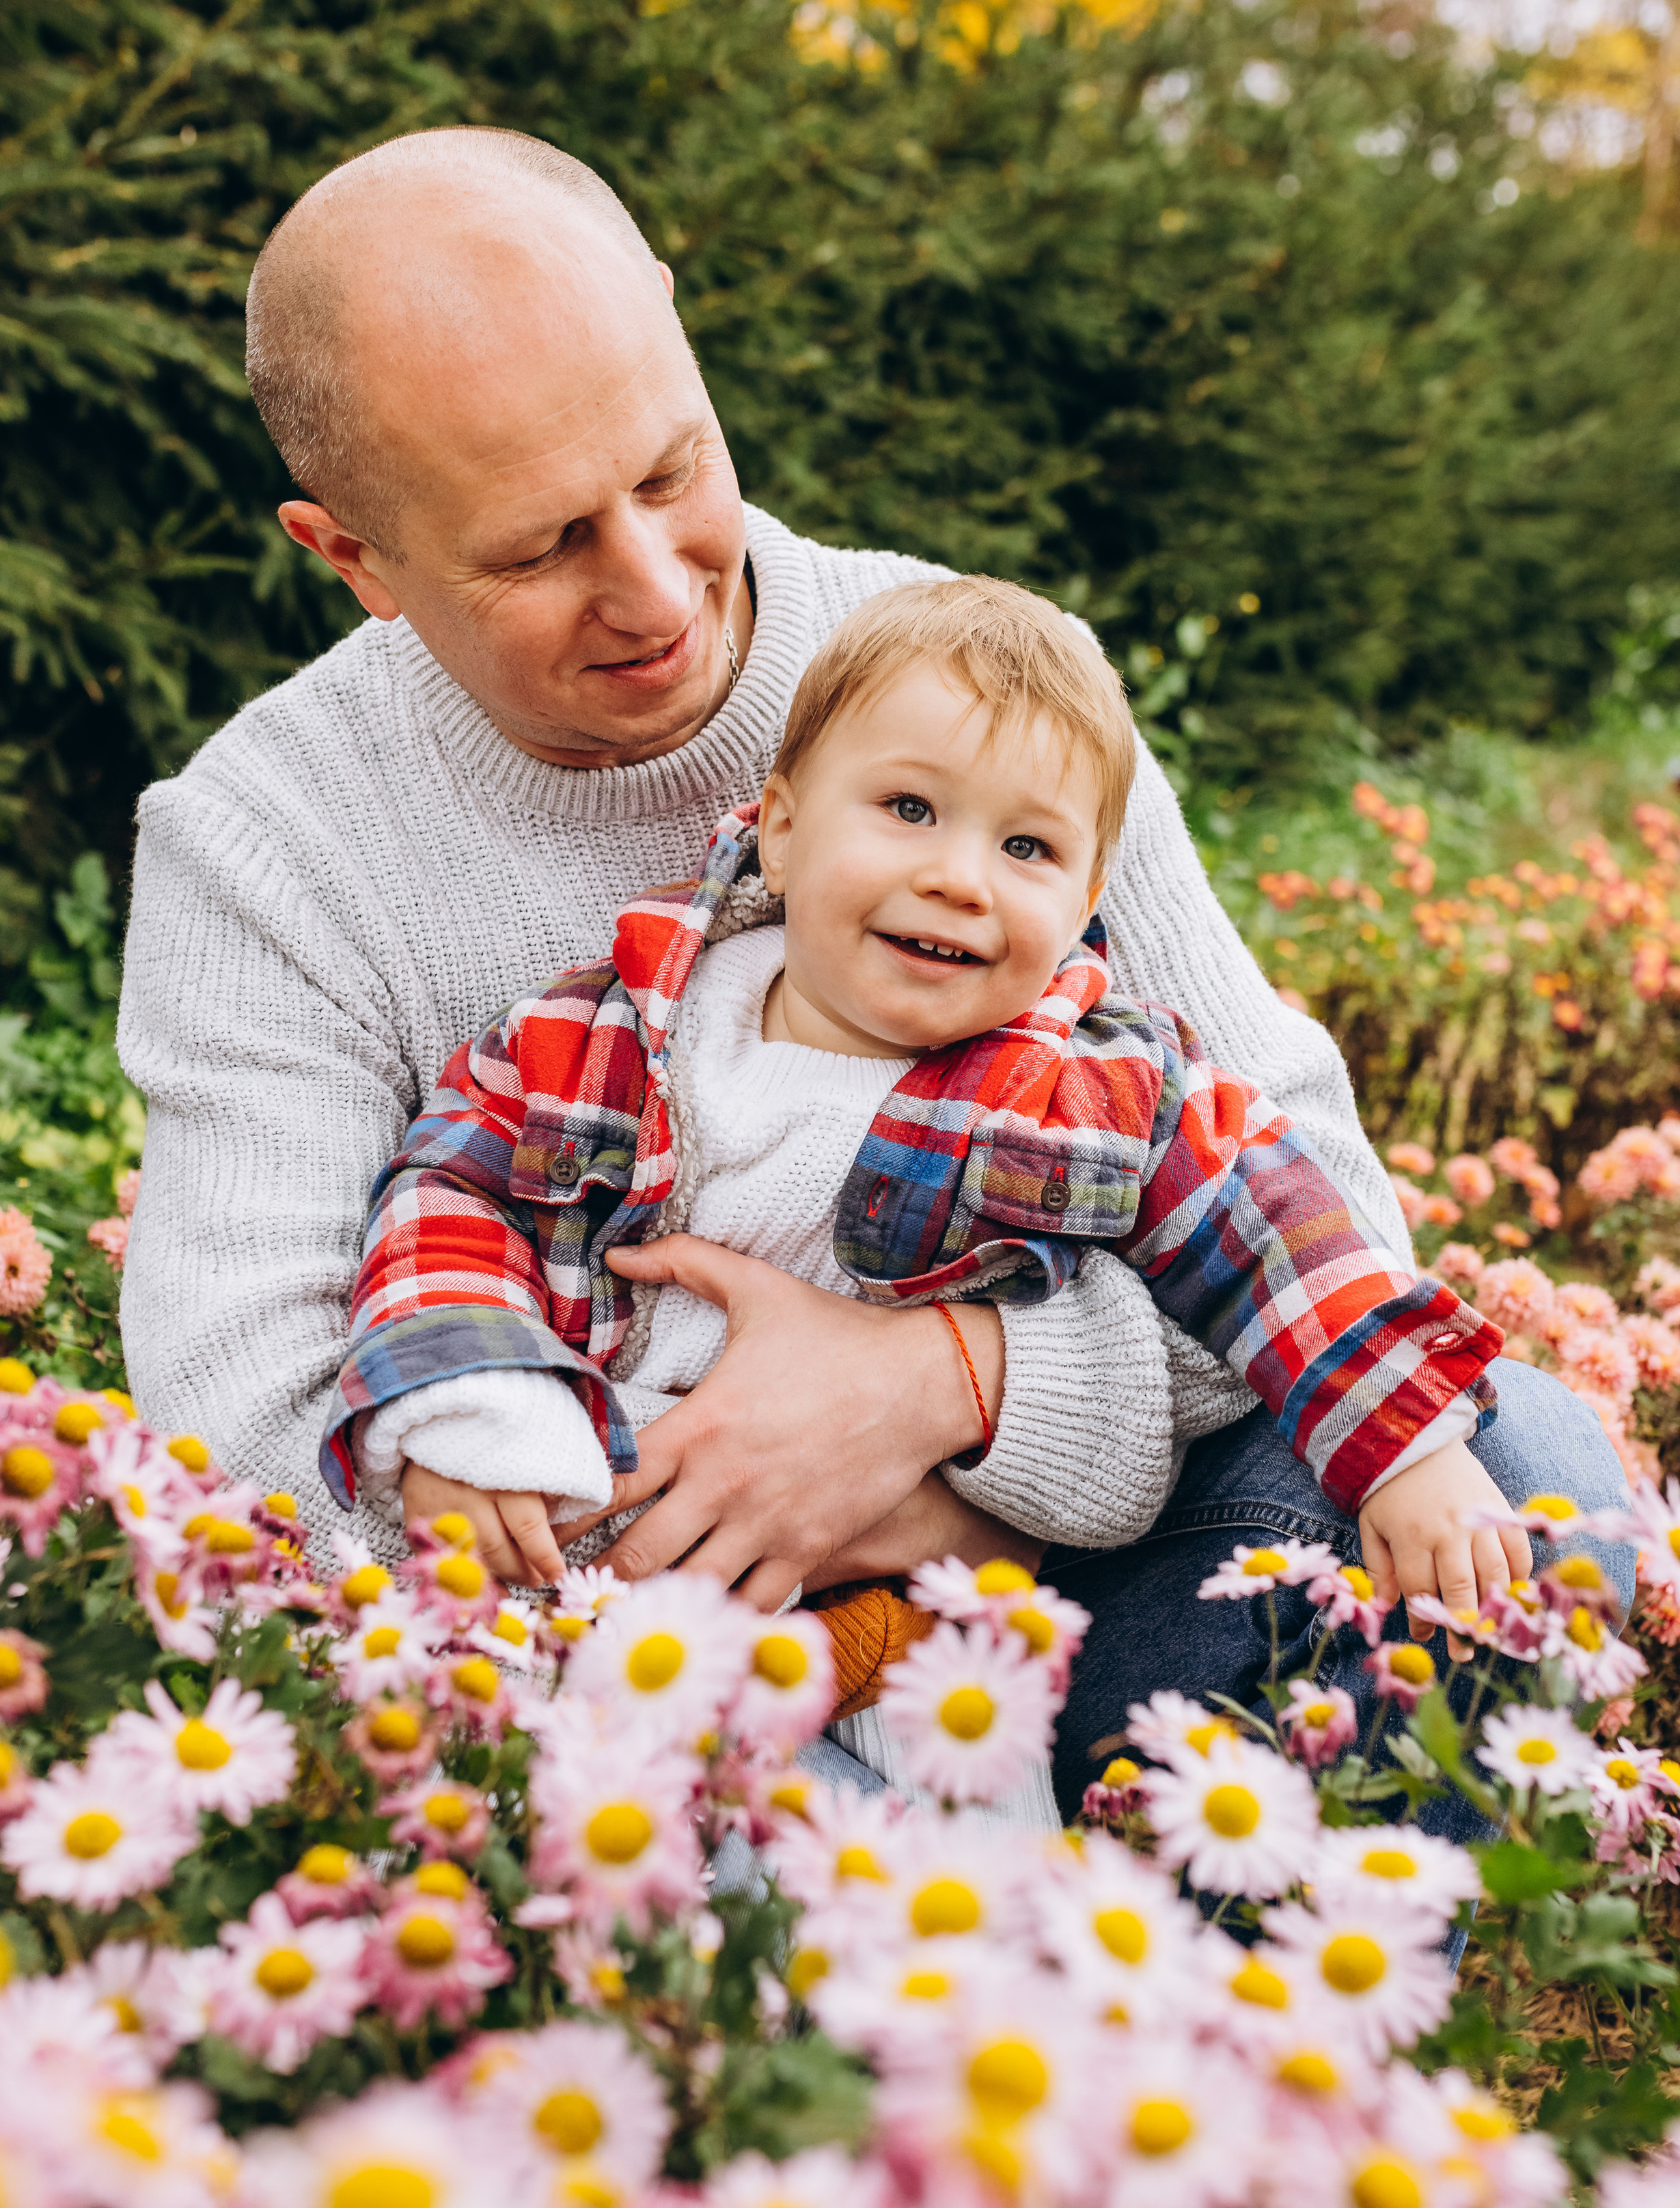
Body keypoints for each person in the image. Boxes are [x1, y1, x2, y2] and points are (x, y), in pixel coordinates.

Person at [115, 124, 1630, 1820]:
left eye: (671, 471)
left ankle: (1202, 1933)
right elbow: (249, 1432)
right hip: (614, 1648)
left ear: (676, 326)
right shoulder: (266, 850)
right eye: (538, 549)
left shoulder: (977, 691)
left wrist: (951, 1401)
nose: (651, 589)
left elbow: (1295, 1187)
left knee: (1522, 1472)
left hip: (1067, 1561)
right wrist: (689, 1518)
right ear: (352, 556)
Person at [331, 573, 1525, 1806]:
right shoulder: (614, 1033)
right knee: (587, 1821)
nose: (962, 877)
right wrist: (467, 1409)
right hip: (595, 1568)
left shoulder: (1085, 1088)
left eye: (1028, 848)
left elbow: (1276, 1228)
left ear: (1087, 900)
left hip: (913, 1637)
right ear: (781, 828)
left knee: (952, 1873)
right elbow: (449, 1192)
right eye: (909, 808)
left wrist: (1404, 1446)